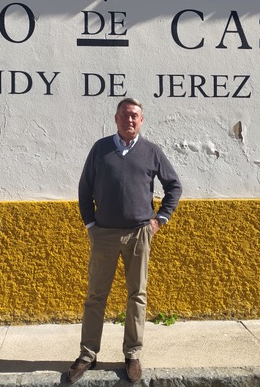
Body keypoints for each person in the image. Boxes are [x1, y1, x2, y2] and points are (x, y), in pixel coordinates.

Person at [67, 98, 182, 383]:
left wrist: (160, 219)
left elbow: (174, 186)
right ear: (116, 119)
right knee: (96, 296)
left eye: (135, 116)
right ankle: (87, 354)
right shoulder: (100, 149)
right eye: (125, 115)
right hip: (104, 234)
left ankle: (132, 354)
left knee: (137, 295)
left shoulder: (151, 152)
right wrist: (91, 224)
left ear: (142, 120)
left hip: (140, 233)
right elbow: (84, 189)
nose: (130, 120)